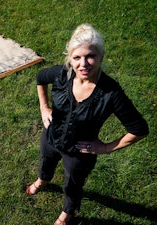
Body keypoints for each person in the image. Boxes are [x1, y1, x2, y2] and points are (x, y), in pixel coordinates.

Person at [26, 24, 149, 225]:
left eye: (90, 56)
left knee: (73, 184)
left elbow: (139, 129)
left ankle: (67, 213)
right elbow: (40, 78)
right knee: (46, 159)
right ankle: (43, 180)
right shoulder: (62, 74)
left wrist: (106, 147)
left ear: (101, 57)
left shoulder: (111, 93)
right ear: (70, 58)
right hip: (51, 135)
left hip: (79, 153)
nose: (83, 64)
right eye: (77, 58)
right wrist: (44, 108)